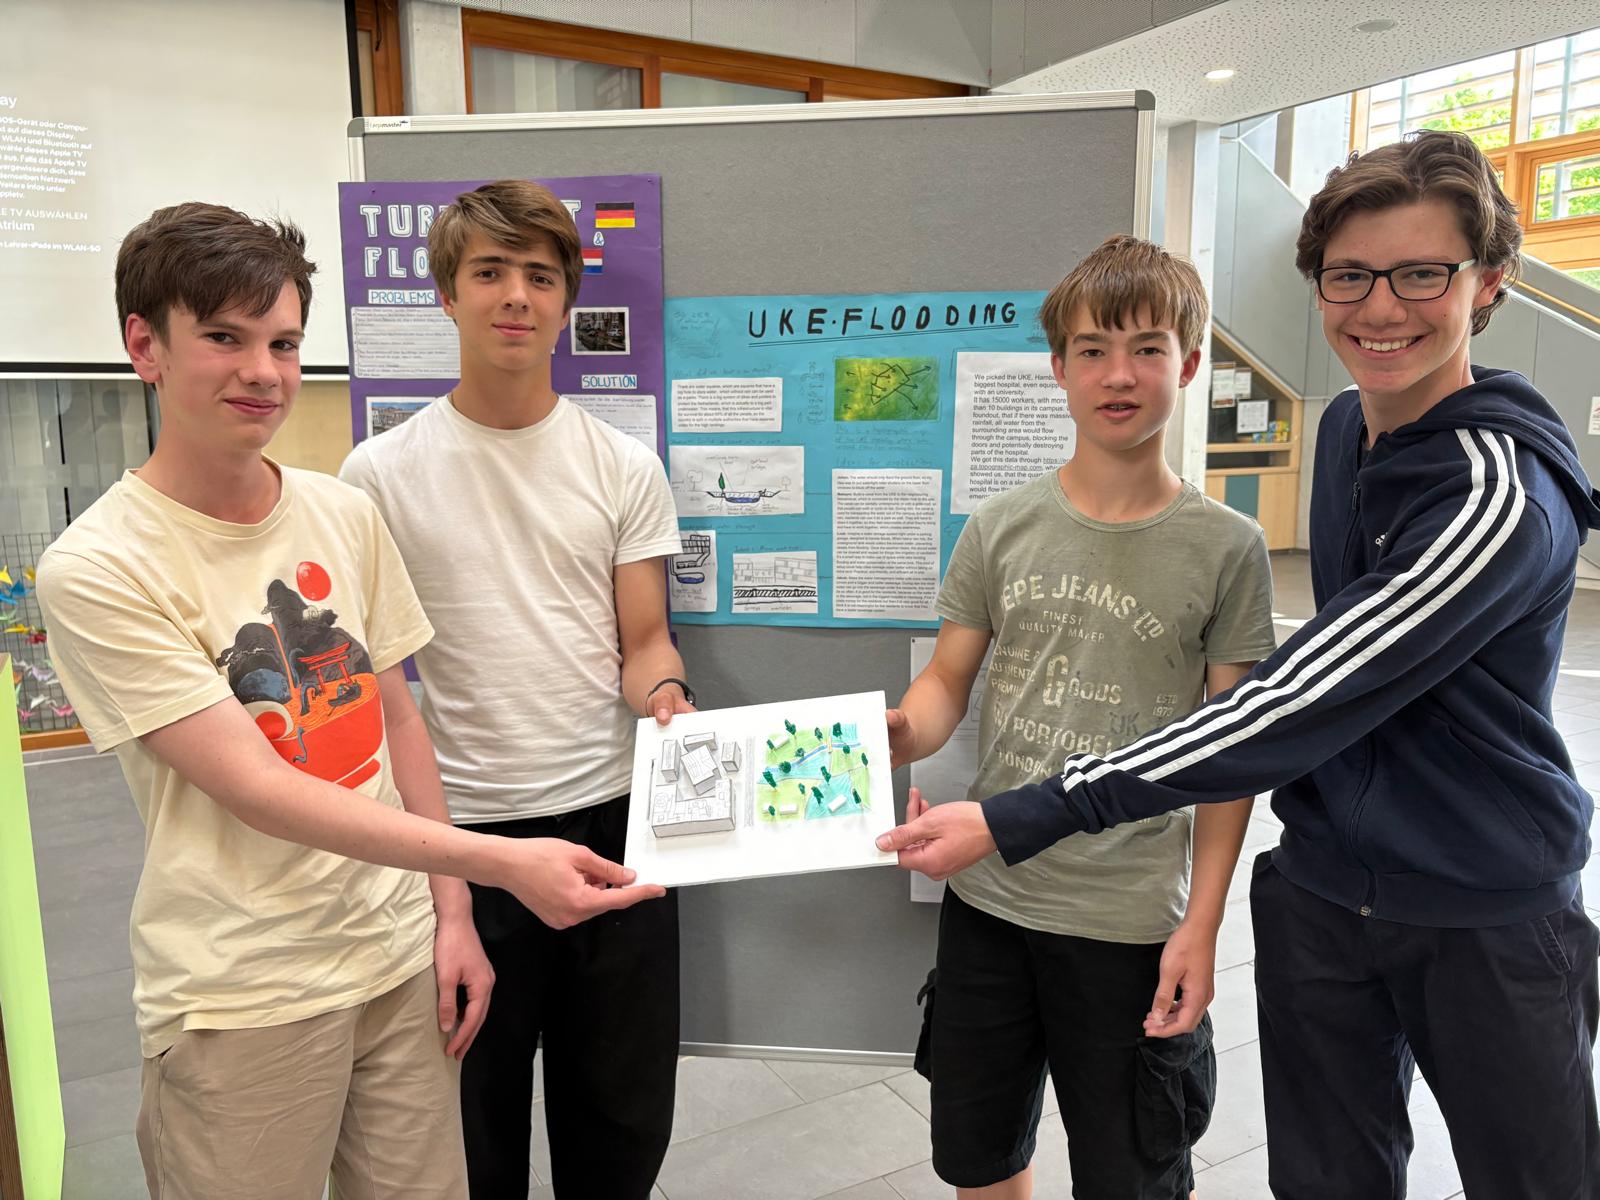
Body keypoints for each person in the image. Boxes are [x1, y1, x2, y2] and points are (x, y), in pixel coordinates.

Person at [878, 130, 1600, 1198]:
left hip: (1475, 904)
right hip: (1322, 893)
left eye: (1420, 274)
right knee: (1321, 1180)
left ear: (1487, 281)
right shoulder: (1348, 429)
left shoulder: (1493, 497)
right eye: (1350, 276)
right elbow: (950, 682)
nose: (1381, 307)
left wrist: (1032, 819)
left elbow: (1286, 707)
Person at [36, 202, 661, 1200]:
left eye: (284, 344)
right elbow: (259, 789)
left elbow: (396, 719)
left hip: (396, 959)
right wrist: (498, 865)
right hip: (246, 990)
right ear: (145, 346)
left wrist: (449, 915)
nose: (262, 372)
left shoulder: (339, 510)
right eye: (225, 339)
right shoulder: (100, 565)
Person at [888, 234, 1275, 1198]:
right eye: (1093, 349)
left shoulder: (1228, 548)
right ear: (1058, 368)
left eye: (1147, 348)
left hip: (1128, 919)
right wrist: (899, 734)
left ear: (1189, 363)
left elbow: (1231, 756)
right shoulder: (1000, 526)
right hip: (989, 901)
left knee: (1130, 1169)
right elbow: (946, 682)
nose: (1119, 374)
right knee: (979, 1155)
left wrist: (1203, 924)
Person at [340, 180, 689, 1200]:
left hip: (613, 831)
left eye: (540, 275)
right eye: (489, 272)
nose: (515, 297)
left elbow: (644, 641)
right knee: (469, 1139)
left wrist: (667, 695)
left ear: (567, 301)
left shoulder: (622, 465)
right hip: (459, 842)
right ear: (446, 294)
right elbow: (377, 682)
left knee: (619, 1126)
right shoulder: (378, 474)